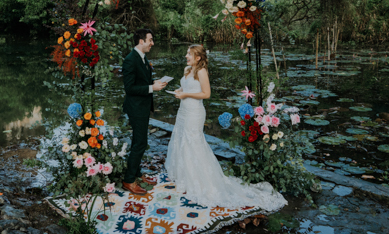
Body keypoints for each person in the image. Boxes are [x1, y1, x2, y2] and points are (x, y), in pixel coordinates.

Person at [165, 44, 287, 210]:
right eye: (187, 53)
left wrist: (186, 94)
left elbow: (206, 94)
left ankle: (201, 179)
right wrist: (179, 91)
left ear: (198, 57)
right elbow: (186, 87)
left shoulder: (201, 71)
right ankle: (185, 175)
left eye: (189, 54)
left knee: (193, 141)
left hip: (195, 112)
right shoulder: (188, 70)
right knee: (181, 139)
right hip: (183, 111)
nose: (186, 56)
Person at [122, 28, 168, 195]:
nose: (152, 43)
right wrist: (151, 87)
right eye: (150, 40)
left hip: (142, 106)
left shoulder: (142, 57)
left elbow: (141, 80)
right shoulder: (130, 60)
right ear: (141, 41)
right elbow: (129, 88)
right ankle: (128, 180)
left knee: (139, 141)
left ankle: (136, 174)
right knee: (140, 143)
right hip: (135, 107)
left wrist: (155, 83)